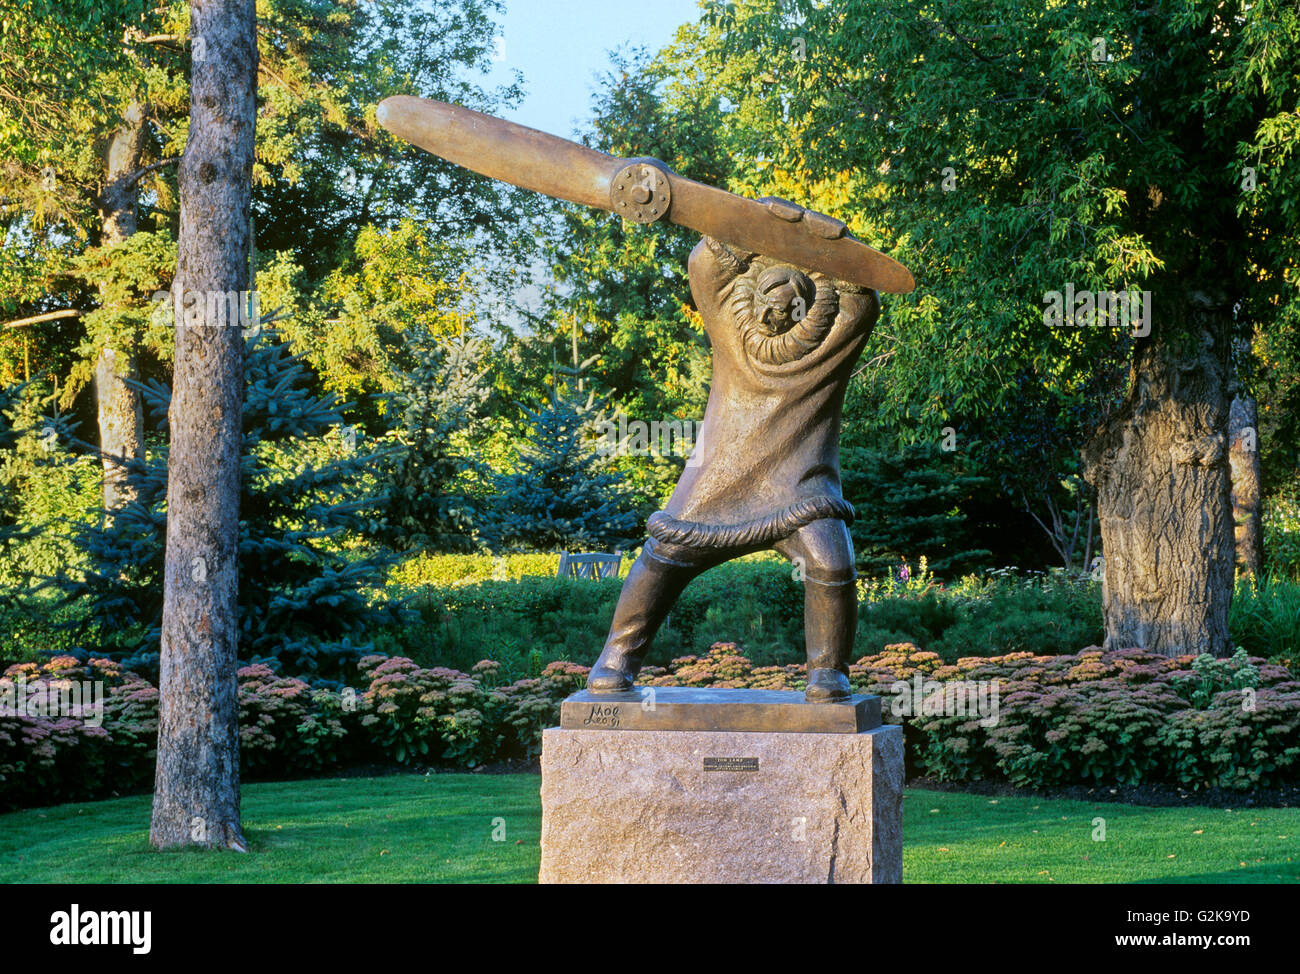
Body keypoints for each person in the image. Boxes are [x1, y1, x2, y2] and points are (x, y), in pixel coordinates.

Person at [588, 223, 880, 702]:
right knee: (664, 556)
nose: (768, 315)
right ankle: (615, 660)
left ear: (804, 308)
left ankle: (828, 674)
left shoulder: (831, 344)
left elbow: (860, 299)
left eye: (783, 308)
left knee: (831, 561)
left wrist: (826, 240)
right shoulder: (729, 323)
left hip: (800, 487)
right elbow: (705, 263)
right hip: (716, 480)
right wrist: (761, 223)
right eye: (765, 301)